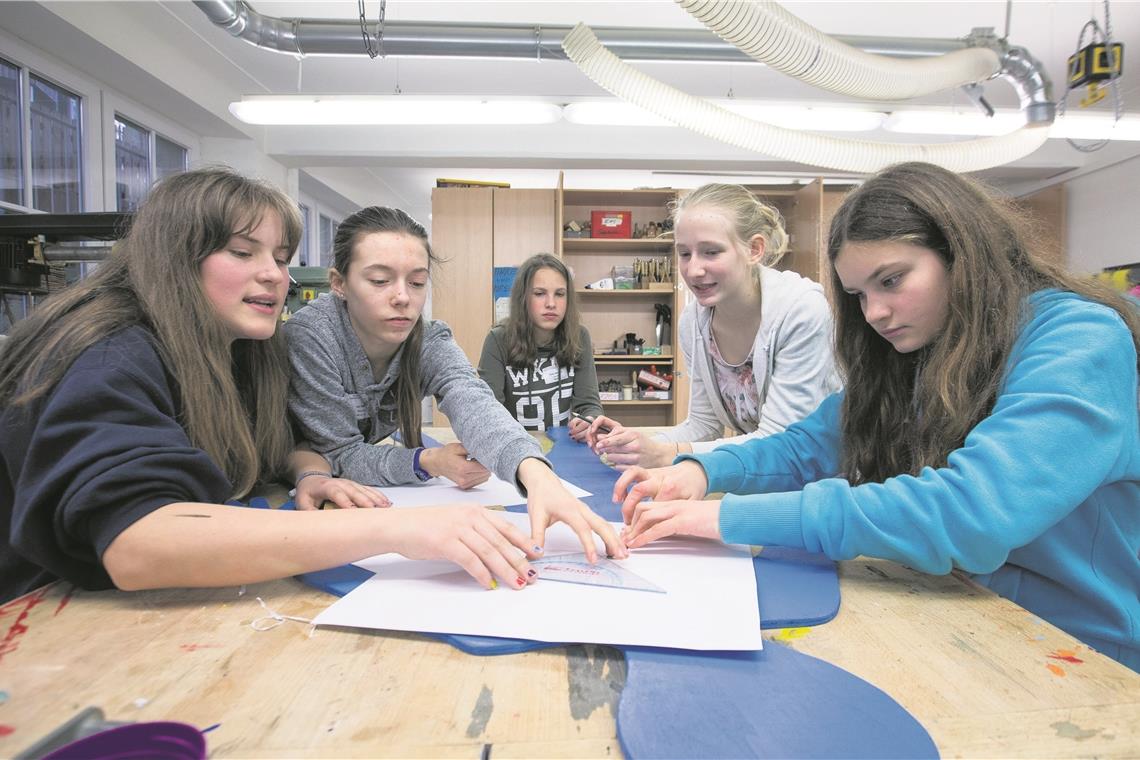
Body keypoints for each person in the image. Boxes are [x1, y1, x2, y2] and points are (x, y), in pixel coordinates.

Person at [615, 162, 1140, 672]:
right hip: (964, 610)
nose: (874, 313)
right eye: (859, 295)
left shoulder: (1078, 338)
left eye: (891, 280)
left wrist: (724, 518)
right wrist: (702, 472)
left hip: (1081, 649)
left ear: (963, 253)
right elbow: (809, 445)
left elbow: (970, 511)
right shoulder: (925, 347)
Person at [0, 168, 543, 604]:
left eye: (281, 259)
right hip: (33, 611)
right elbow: (138, 541)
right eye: (242, 253)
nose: (275, 276)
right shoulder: (111, 351)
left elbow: (275, 442)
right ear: (173, 259)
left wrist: (308, 473)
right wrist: (401, 530)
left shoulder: (237, 349)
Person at [284, 207, 624, 561]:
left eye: (416, 282)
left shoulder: (427, 338)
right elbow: (340, 454)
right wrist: (426, 460)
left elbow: (472, 398)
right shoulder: (312, 338)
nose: (403, 297)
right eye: (380, 281)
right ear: (339, 283)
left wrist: (534, 473)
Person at [585, 183, 840, 468]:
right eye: (684, 254)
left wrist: (664, 454)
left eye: (711, 252)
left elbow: (781, 441)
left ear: (754, 249)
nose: (693, 270)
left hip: (827, 479)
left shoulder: (800, 310)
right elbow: (704, 425)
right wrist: (638, 442)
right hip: (764, 474)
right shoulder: (694, 321)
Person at [477, 253, 602, 441]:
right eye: (539, 293)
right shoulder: (498, 340)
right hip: (511, 446)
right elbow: (489, 412)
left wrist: (589, 421)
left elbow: (589, 404)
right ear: (523, 298)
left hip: (565, 446)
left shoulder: (579, 336)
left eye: (560, 294)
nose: (551, 304)